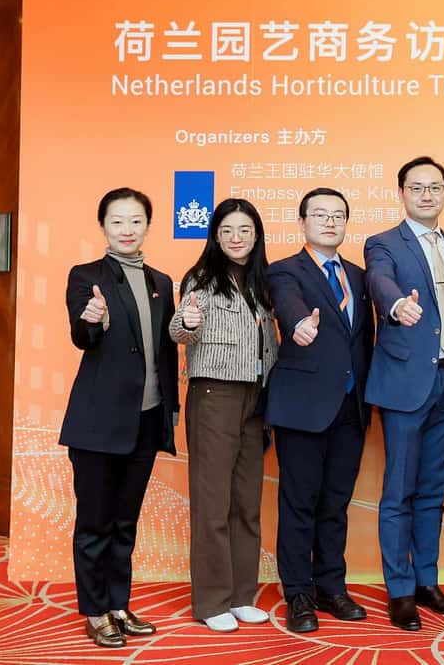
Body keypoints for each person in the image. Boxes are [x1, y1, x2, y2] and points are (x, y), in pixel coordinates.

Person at [61, 187, 179, 648]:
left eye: (135, 221)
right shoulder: (86, 276)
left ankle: (117, 605)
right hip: (97, 423)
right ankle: (95, 611)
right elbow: (82, 335)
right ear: (103, 227)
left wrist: (170, 408)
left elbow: (166, 349)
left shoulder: (161, 281)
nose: (126, 230)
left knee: (125, 523)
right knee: (95, 523)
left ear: (147, 225)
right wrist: (92, 318)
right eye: (117, 221)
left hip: (146, 421)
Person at [363, 156, 444, 631]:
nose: (426, 195)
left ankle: (428, 580)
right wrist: (395, 306)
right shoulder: (383, 243)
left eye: (435, 187)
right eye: (417, 187)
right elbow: (378, 280)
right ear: (402, 194)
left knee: (433, 490)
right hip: (406, 384)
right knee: (399, 492)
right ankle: (401, 590)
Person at [265, 188, 374, 633]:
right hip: (303, 407)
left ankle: (332, 587)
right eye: (320, 214)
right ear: (302, 222)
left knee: (335, 504)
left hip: (350, 406)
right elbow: (288, 305)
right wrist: (298, 324)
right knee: (299, 503)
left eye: (338, 215)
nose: (330, 222)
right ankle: (298, 594)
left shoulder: (359, 277)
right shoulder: (283, 270)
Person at [169, 197, 278, 632]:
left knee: (246, 502)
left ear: (256, 235)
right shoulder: (201, 278)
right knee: (213, 502)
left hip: (256, 398)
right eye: (227, 230)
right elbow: (179, 330)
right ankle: (212, 600)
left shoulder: (262, 281)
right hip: (215, 394)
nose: (236, 238)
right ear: (215, 235)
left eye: (245, 230)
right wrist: (189, 321)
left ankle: (241, 596)